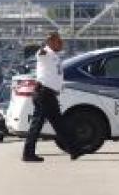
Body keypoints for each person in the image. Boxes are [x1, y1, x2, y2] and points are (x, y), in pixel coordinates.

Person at [22, 32, 83, 162]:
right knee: (47, 124)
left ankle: (74, 150)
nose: (61, 43)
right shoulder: (45, 53)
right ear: (50, 42)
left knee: (54, 123)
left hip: (48, 94)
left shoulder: (54, 55)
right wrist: (44, 44)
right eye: (58, 41)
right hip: (44, 94)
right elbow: (39, 53)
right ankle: (28, 154)